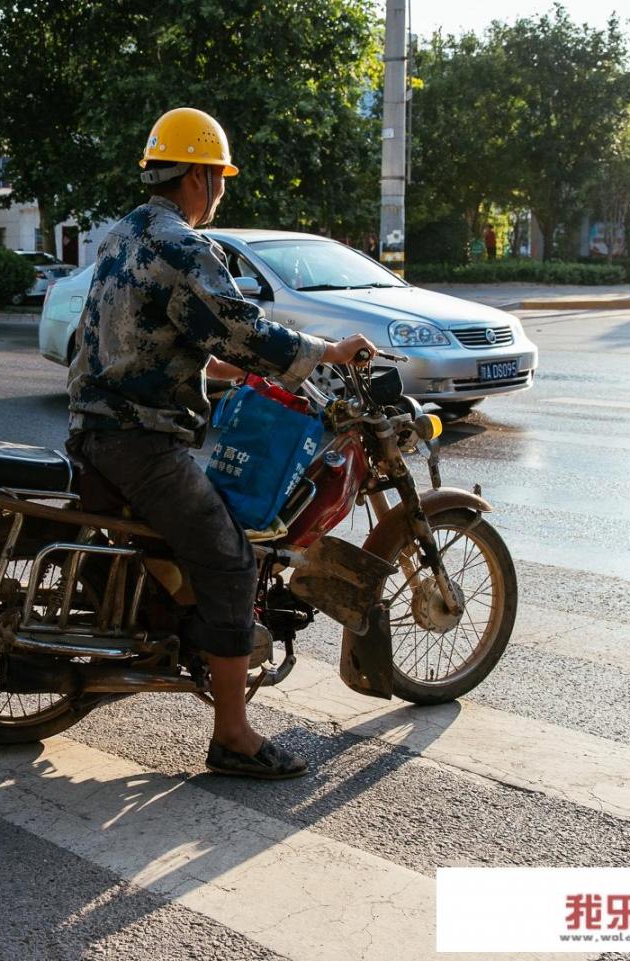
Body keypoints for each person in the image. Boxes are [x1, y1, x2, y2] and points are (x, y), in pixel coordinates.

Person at [67, 107, 377, 780]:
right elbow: (246, 328)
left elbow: (144, 338)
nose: (221, 191)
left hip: (95, 425)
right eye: (221, 179)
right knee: (233, 560)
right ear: (202, 176)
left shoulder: (125, 233)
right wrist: (329, 349)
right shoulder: (183, 246)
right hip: (137, 439)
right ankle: (232, 735)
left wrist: (212, 368)